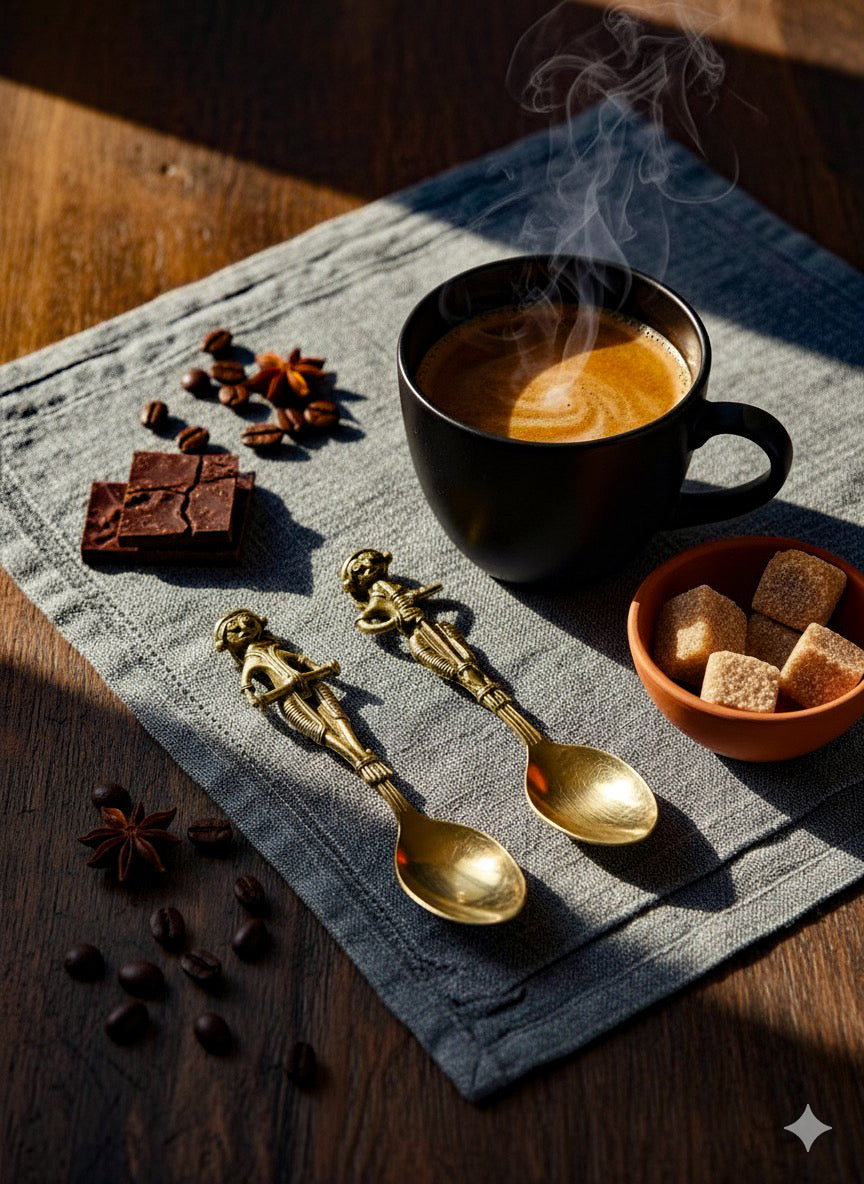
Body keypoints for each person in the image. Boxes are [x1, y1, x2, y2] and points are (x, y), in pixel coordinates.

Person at [213, 608, 391, 782]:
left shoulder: (274, 649)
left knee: (340, 718)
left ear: (259, 623)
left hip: (313, 683)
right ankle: (359, 760)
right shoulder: (251, 662)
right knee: (321, 730)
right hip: (289, 700)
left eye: (248, 624)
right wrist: (260, 698)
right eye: (235, 630)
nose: (244, 630)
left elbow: (301, 660)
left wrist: (320, 668)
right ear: (224, 642)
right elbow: (249, 690)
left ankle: (361, 755)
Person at [339, 549, 511, 711]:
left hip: (433, 627)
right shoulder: (376, 601)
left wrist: (417, 594)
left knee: (465, 658)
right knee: (450, 667)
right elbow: (362, 623)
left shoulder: (399, 588)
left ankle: (484, 687)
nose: (369, 570)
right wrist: (394, 621)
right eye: (361, 571)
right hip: (417, 636)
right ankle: (478, 688)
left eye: (372, 565)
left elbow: (435, 587)